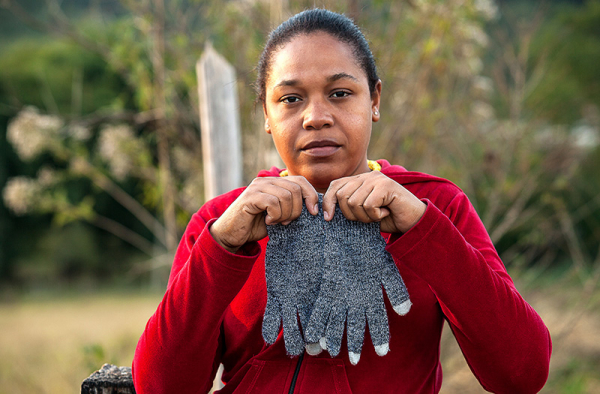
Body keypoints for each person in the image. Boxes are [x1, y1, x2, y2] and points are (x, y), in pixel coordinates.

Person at [133, 9, 552, 394]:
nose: (316, 116)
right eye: (290, 99)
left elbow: (522, 373)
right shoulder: (222, 221)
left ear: (374, 100)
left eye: (339, 93)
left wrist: (424, 230)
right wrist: (221, 246)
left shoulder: (434, 204)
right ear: (265, 112)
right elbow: (159, 386)